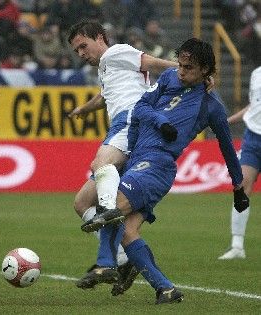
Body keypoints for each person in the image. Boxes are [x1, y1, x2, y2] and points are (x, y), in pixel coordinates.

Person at [78, 38, 249, 304]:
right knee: (128, 231)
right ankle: (165, 289)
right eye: (180, 64)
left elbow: (227, 147)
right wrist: (159, 123)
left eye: (188, 68)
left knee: (110, 207)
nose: (181, 71)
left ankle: (105, 263)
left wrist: (238, 188)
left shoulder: (211, 106)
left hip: (157, 165)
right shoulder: (169, 77)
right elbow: (143, 107)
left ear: (205, 70)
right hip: (139, 159)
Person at [67, 20, 179, 284]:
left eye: (84, 46)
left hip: (131, 119)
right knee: (82, 203)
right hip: (121, 125)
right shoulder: (107, 67)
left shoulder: (117, 52)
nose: (82, 54)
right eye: (77, 51)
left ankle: (109, 215)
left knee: (101, 164)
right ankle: (123, 259)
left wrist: (187, 71)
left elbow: (151, 63)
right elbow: (104, 96)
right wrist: (83, 109)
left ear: (99, 38)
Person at [218, 66, 261, 260]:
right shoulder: (256, 73)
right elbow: (254, 105)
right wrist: (229, 121)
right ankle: (237, 246)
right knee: (241, 187)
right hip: (252, 138)